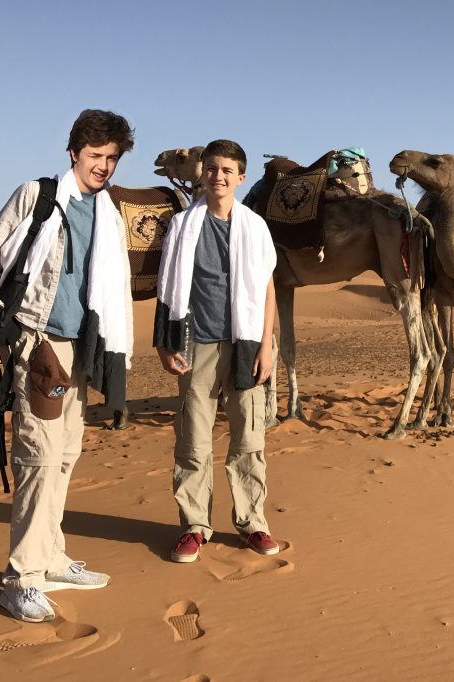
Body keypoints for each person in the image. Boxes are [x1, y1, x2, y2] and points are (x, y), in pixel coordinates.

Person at [0, 109, 136, 622]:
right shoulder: (36, 195)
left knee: (64, 455)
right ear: (74, 153)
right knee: (38, 458)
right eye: (95, 156)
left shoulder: (106, 210)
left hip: (81, 348)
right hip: (39, 344)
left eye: (111, 158)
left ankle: (52, 558)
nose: (103, 166)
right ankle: (21, 579)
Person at [153, 139, 280, 563]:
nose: (218, 176)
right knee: (193, 439)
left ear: (241, 177)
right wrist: (164, 344)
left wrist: (267, 344)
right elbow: (168, 289)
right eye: (211, 169)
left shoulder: (255, 227)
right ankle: (194, 525)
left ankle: (252, 522)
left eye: (227, 170)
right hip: (197, 344)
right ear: (202, 173)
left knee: (248, 437)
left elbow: (267, 289)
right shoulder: (183, 225)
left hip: (247, 344)